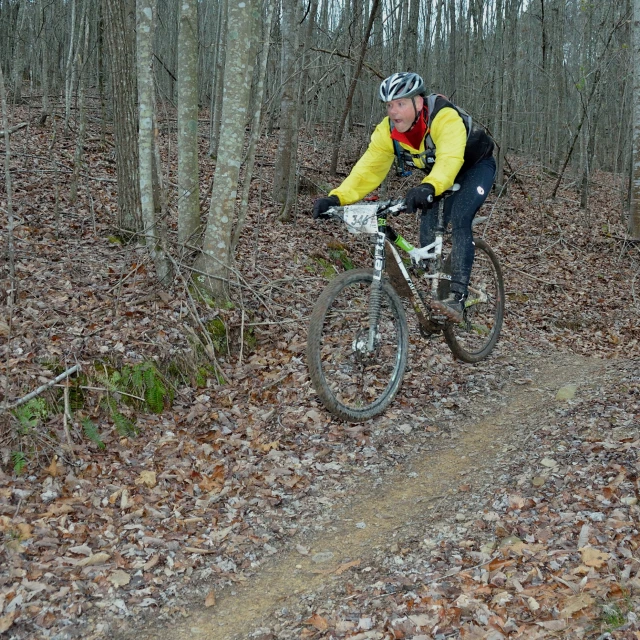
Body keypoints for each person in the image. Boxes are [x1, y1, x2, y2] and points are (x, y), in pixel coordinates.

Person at [312, 72, 496, 323]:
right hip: (438, 177)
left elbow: (450, 158)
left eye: (400, 104)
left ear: (418, 103)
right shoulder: (387, 131)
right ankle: (434, 290)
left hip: (475, 167)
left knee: (460, 217)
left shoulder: (443, 117)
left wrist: (429, 186)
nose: (394, 111)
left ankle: (457, 297)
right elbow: (368, 169)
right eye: (389, 105)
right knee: (427, 228)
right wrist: (337, 198)